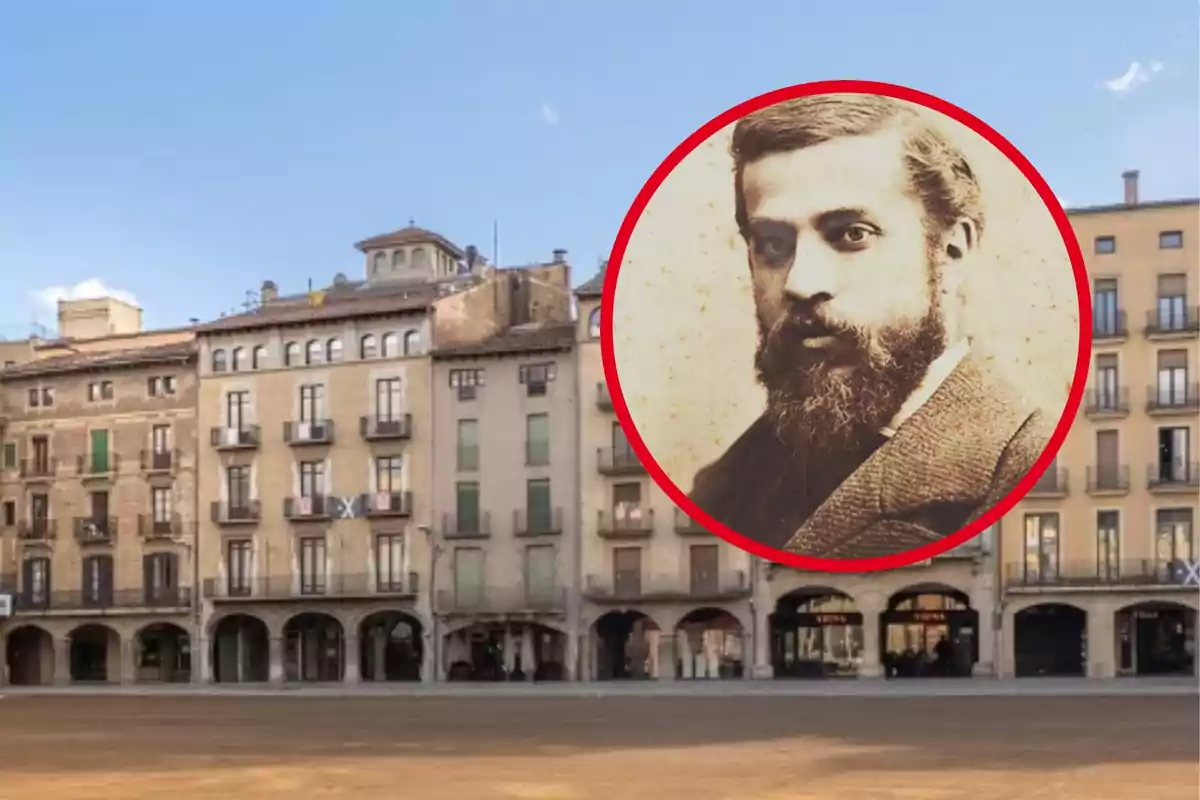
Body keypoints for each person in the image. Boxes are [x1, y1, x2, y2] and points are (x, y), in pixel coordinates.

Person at [688, 93, 1052, 559]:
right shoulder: (727, 483)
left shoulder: (1018, 464)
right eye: (774, 245)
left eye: (851, 234)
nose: (800, 282)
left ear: (951, 250)